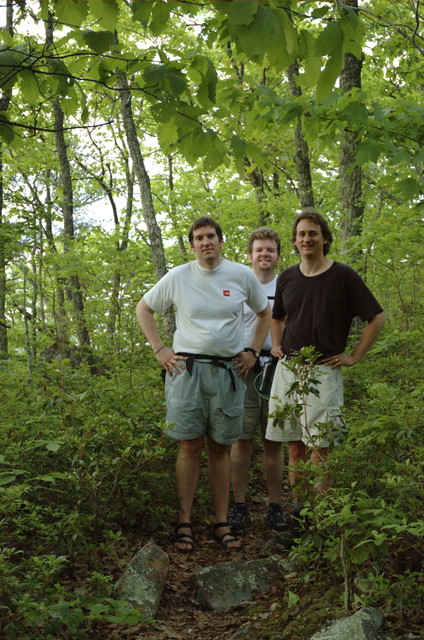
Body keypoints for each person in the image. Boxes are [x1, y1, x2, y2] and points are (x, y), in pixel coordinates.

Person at [136, 216, 271, 552]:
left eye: (211, 236)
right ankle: (185, 522)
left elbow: (265, 313)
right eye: (199, 238)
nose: (205, 242)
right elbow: (144, 309)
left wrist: (253, 351)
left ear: (221, 241)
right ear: (192, 244)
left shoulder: (241, 275)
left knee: (220, 449)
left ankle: (222, 522)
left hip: (229, 372)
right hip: (187, 371)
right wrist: (160, 349)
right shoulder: (179, 276)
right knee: (189, 446)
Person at [265, 208, 385, 511]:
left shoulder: (342, 276)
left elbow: (377, 317)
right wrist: (277, 345)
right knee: (294, 446)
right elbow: (277, 317)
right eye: (302, 234)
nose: (307, 238)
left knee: (319, 448)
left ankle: (322, 517)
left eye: (313, 233)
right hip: (289, 370)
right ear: (294, 240)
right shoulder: (287, 277)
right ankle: (300, 515)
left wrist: (354, 356)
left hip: (323, 371)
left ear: (325, 238)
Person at [229, 228, 289, 533]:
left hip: (277, 371)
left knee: (273, 441)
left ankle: (275, 506)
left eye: (270, 250)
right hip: (243, 369)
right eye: (259, 250)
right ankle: (239, 506)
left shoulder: (288, 286)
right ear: (250, 256)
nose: (264, 254)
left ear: (278, 255)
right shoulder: (238, 285)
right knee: (241, 440)